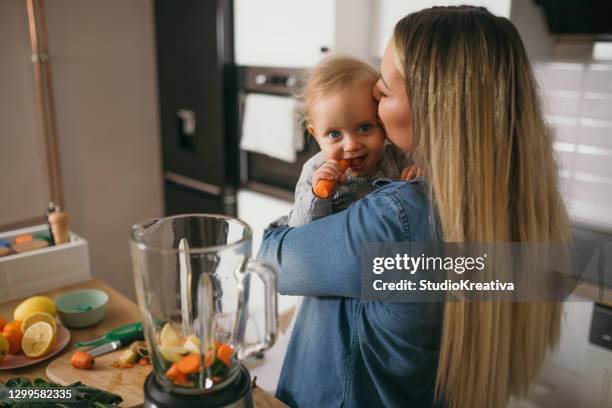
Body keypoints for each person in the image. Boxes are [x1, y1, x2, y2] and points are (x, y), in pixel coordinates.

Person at [258, 6, 569, 408]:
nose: (373, 99)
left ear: (432, 106)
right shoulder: (519, 207)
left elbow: (271, 262)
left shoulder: (395, 222)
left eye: (383, 91)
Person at [288, 55, 418, 228]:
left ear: (381, 122)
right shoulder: (315, 171)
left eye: (364, 128)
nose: (351, 145)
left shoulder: (398, 158)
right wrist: (318, 195)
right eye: (334, 134)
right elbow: (298, 231)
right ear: (316, 134)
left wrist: (419, 176)